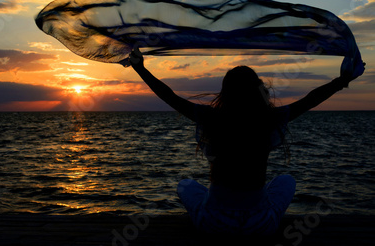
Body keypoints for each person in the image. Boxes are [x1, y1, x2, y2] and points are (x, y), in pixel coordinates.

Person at [128, 46, 362, 236]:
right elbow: (310, 100)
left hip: (213, 224)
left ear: (225, 92)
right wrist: (341, 81)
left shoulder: (212, 118)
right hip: (260, 225)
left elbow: (169, 96)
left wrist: (140, 69)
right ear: (258, 89)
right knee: (286, 180)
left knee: (185, 185)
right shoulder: (269, 119)